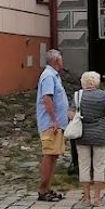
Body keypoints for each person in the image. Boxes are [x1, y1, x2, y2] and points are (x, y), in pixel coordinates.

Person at [73, 70, 105, 208]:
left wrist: (78, 119)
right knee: (99, 166)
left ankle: (86, 197)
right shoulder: (103, 95)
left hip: (82, 133)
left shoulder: (78, 95)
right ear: (96, 82)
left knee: (84, 165)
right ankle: (97, 198)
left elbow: (70, 113)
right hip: (101, 133)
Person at [34, 49, 69, 201]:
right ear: (55, 60)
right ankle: (43, 190)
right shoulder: (48, 76)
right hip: (51, 124)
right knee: (49, 155)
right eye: (61, 58)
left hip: (57, 123)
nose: (62, 61)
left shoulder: (54, 76)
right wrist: (54, 119)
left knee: (54, 155)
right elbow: (47, 99)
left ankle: (47, 187)